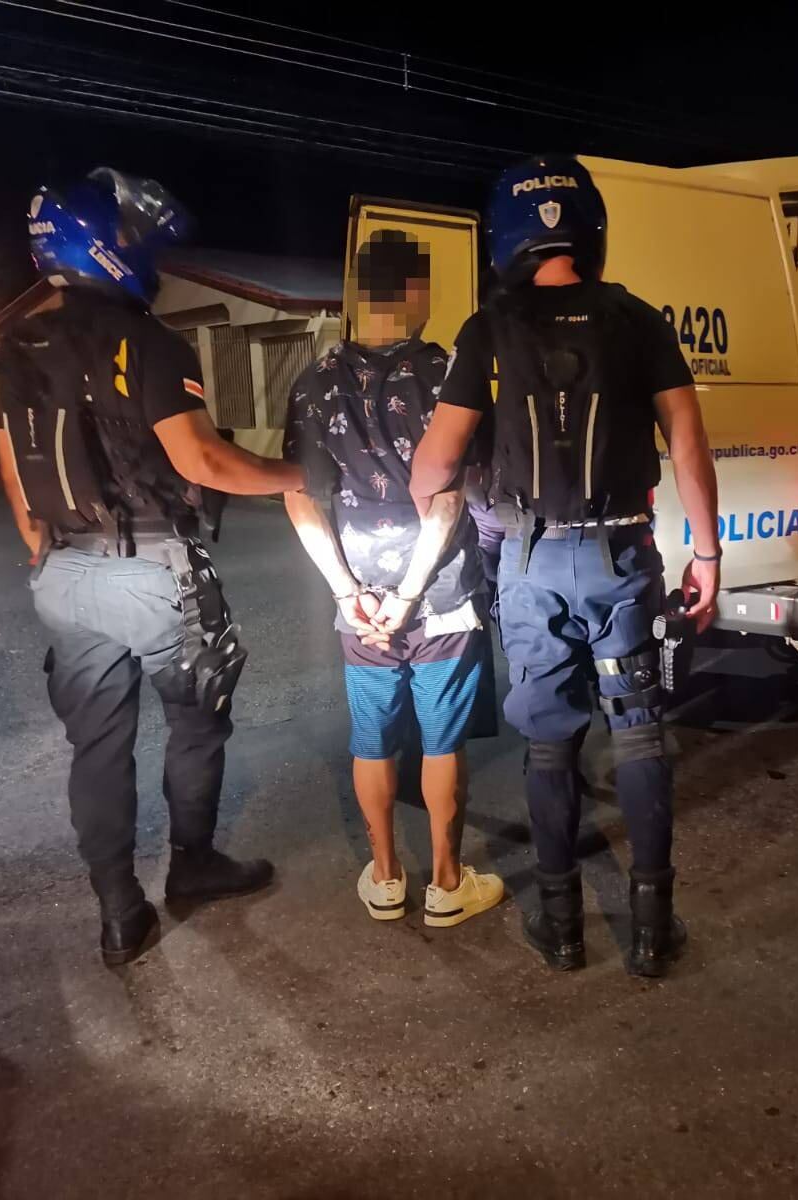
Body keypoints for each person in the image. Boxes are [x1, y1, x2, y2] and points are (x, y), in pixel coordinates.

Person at [409, 155, 721, 978]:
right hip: (622, 555)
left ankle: (563, 928)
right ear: (591, 228)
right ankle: (653, 928)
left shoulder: (488, 331)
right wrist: (710, 552)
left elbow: (432, 467)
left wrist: (451, 518)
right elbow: (687, 444)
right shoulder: (638, 320)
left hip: (530, 562)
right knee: (641, 732)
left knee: (548, 746)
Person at [0, 168, 305, 966]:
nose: (143, 251)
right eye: (132, 237)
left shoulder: (18, 343)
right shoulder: (144, 339)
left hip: (64, 573)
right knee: (198, 720)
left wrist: (40, 544)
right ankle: (193, 866)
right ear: (103, 245)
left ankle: (119, 912)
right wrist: (302, 476)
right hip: (152, 569)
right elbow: (203, 461)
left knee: (97, 746)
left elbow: (12, 462)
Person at [283, 229, 503, 927]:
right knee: (442, 742)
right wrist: (411, 592)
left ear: (357, 293)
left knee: (370, 737)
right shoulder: (447, 374)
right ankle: (445, 884)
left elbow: (298, 495)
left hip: (362, 606)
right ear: (416, 292)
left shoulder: (314, 381)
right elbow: (451, 493)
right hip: (436, 599)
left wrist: (349, 594)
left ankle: (384, 878)